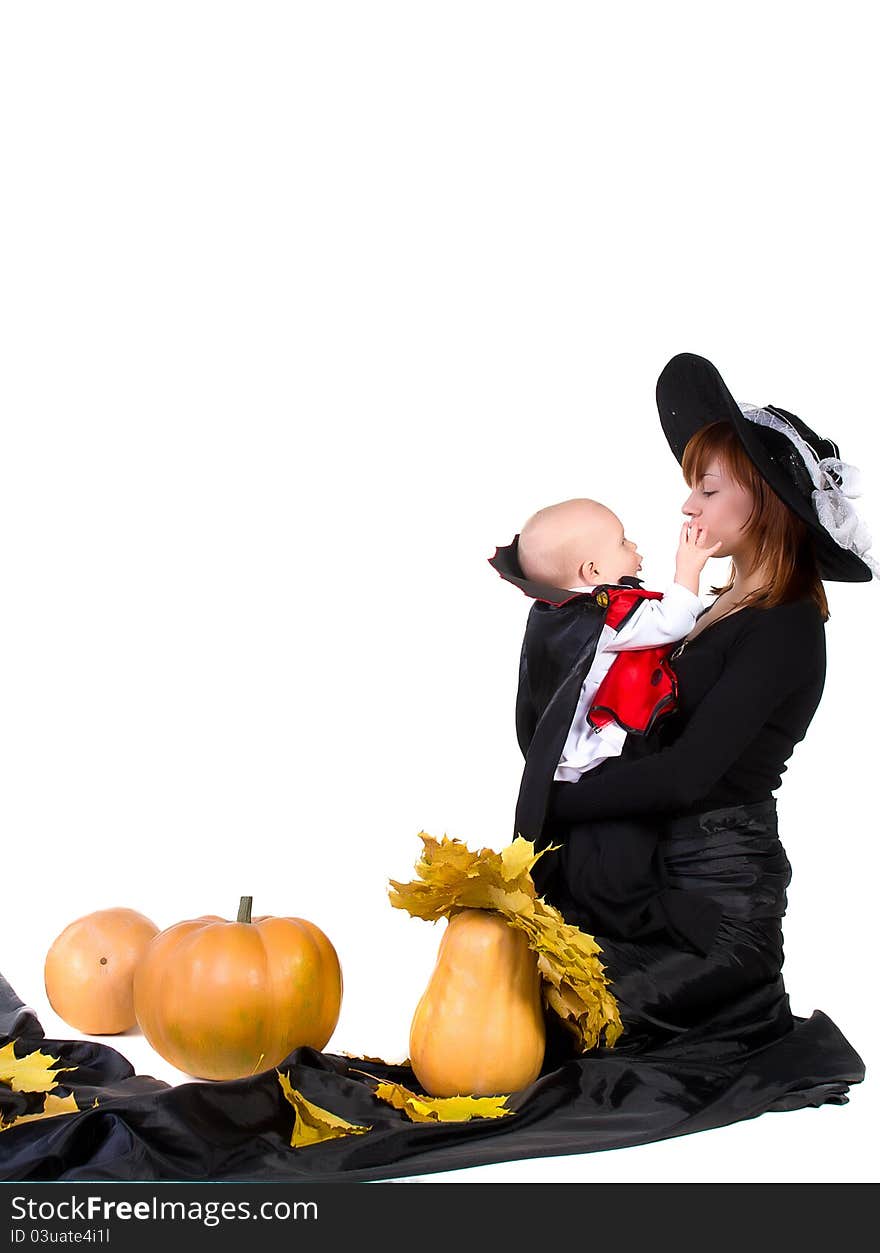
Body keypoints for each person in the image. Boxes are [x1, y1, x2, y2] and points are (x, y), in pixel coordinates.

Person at [530, 351, 877, 1080]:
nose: (688, 507)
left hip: (715, 921)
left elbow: (686, 775)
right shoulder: (707, 612)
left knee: (569, 1030)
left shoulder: (786, 626)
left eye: (708, 489)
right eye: (692, 489)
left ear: (767, 501)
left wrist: (556, 798)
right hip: (652, 888)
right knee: (517, 990)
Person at [490, 496, 724, 953]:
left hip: (571, 768)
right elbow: (674, 620)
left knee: (589, 862)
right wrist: (689, 567)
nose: (634, 546)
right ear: (592, 571)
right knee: (619, 862)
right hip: (605, 762)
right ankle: (662, 922)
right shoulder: (607, 617)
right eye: (622, 541)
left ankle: (584, 923)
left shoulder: (557, 616)